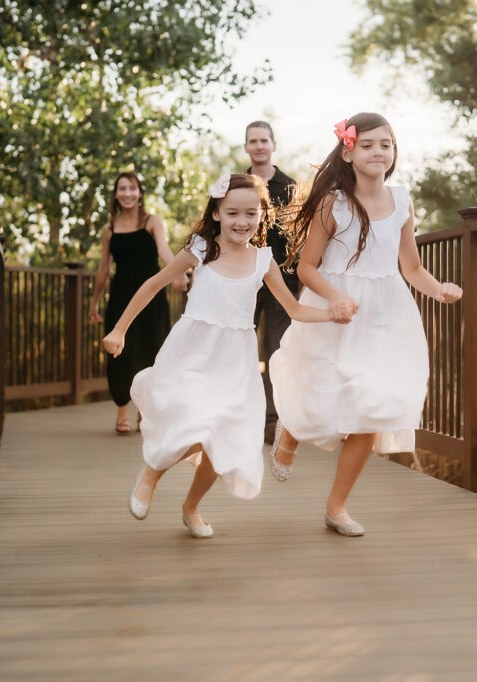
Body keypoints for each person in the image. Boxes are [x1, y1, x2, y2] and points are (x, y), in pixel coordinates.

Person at [102, 173, 349, 538]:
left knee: (221, 435)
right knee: (194, 419)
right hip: (194, 351)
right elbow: (153, 284)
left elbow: (294, 310)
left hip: (235, 361)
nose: (242, 221)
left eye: (251, 213)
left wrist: (331, 312)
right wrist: (119, 328)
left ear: (262, 216)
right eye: (232, 213)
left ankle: (191, 507)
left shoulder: (263, 261)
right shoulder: (200, 249)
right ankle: (151, 474)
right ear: (217, 213)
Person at [268, 113, 463, 537]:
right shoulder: (332, 203)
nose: (379, 152)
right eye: (369, 144)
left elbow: (411, 267)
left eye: (386, 145)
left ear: (394, 153)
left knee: (372, 407)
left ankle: (337, 506)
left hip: (385, 316)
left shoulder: (402, 200)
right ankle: (291, 431)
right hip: (335, 310)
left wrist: (437, 288)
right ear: (348, 151)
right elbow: (306, 267)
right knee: (320, 394)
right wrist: (336, 297)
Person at [88, 172, 186, 435]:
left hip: (152, 298)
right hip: (121, 297)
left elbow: (164, 250)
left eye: (132, 188)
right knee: (119, 354)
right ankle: (122, 411)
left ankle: (145, 411)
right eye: (122, 189)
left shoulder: (152, 221)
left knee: (152, 350)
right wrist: (95, 303)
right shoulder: (109, 229)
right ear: (116, 194)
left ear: (139, 193)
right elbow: (103, 268)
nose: (128, 193)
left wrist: (177, 272)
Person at [244, 121, 298, 443]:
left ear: (273, 145)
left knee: (275, 351)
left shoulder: (290, 187)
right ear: (247, 146)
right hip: (244, 280)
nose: (259, 145)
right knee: (240, 349)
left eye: (264, 140)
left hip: (282, 283)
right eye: (253, 141)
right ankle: (242, 414)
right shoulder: (237, 185)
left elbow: (298, 240)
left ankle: (273, 421)